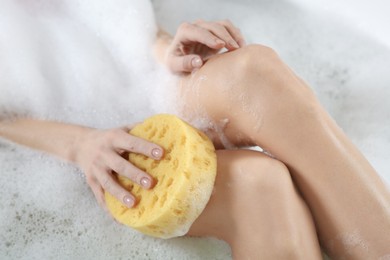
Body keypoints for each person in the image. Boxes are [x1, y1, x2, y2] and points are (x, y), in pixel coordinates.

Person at [1, 2, 389, 260]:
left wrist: (167, 49)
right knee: (256, 185)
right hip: (55, 146)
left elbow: (113, 25)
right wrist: (80, 145)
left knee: (254, 75)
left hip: (136, 86)